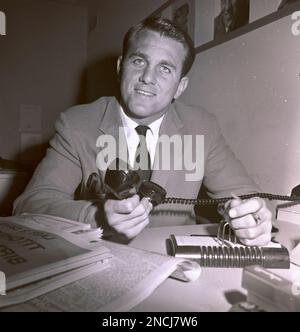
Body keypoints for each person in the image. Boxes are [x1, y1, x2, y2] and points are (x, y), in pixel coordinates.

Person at [13, 17, 272, 246]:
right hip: (100, 259)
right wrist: (97, 216)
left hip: (174, 265)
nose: (148, 77)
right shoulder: (76, 124)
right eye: (139, 61)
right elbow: (30, 205)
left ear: (180, 87)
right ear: (120, 66)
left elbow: (250, 197)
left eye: (165, 68)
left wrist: (254, 219)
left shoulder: (202, 127)